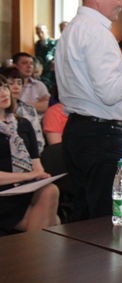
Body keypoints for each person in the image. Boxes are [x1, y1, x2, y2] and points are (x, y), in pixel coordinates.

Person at [55, 0, 122, 221]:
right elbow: (110, 93)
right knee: (107, 219)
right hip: (99, 134)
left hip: (79, 131)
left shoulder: (72, 29)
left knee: (85, 218)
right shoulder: (97, 33)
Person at [0, 75, 60, 233]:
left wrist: (40, 174)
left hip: (23, 189)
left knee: (50, 190)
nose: (4, 93)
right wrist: (27, 176)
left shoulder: (23, 124)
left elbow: (36, 164)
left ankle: (33, 247)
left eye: (4, 87)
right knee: (54, 222)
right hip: (3, 193)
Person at [0, 67, 45, 153]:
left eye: (19, 83)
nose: (16, 87)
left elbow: (38, 141)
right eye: (11, 83)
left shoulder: (28, 111)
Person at [35, 24, 57, 90]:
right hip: (41, 69)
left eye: (42, 32)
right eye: (38, 33)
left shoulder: (54, 43)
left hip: (51, 70)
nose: (40, 34)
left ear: (46, 31)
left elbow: (51, 55)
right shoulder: (37, 44)